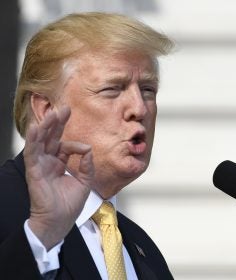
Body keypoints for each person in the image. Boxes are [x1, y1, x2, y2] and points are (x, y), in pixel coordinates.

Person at [0, 12, 174, 279]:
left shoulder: (143, 249)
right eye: (112, 89)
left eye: (148, 90)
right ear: (47, 110)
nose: (139, 108)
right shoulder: (9, 208)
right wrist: (42, 236)